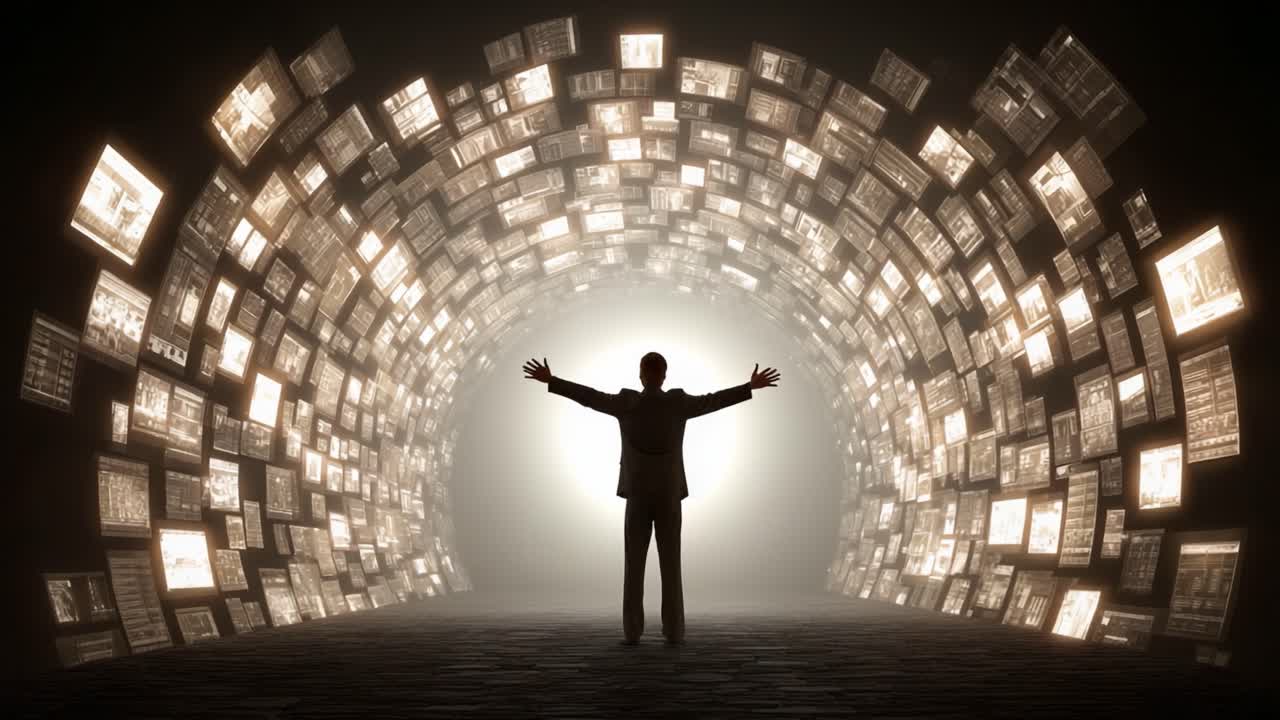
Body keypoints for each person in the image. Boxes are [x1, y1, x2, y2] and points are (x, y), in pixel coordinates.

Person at [523, 352, 780, 646]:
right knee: (671, 564)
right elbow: (714, 401)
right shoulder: (678, 403)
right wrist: (748, 387)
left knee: (634, 565)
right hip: (669, 492)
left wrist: (553, 381)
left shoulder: (627, 403)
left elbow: (589, 397)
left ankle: (632, 630)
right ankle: (674, 630)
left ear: (641, 376)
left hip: (637, 492)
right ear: (665, 376)